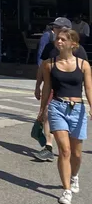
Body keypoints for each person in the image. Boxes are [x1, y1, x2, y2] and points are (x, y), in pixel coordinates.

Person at [38, 28, 92, 204]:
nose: (58, 42)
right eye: (57, 39)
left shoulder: (83, 65)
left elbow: (89, 89)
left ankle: (74, 176)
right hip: (57, 107)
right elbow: (47, 89)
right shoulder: (49, 64)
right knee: (65, 150)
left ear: (72, 44)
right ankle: (66, 190)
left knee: (76, 154)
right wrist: (42, 109)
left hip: (78, 109)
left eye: (62, 39)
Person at [33, 17, 89, 162]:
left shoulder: (78, 50)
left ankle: (64, 151)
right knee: (46, 114)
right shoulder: (49, 47)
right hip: (51, 87)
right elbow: (42, 66)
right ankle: (48, 146)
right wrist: (37, 85)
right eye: (54, 28)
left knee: (73, 145)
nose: (54, 30)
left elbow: (84, 71)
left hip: (69, 94)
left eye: (58, 28)